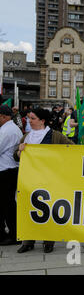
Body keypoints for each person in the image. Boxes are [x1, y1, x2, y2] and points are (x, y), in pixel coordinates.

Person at [14, 108, 73, 253]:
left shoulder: (56, 136)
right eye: (29, 118)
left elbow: (72, 149)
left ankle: (48, 240)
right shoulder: (27, 137)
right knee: (28, 209)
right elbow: (15, 156)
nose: (29, 121)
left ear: (42, 121)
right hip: (29, 180)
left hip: (49, 179)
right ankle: (28, 240)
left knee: (47, 209)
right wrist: (19, 151)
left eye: (33, 118)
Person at [0, 105, 23, 246]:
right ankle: (12, 233)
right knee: (7, 203)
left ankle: (13, 234)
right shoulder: (12, 128)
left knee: (6, 204)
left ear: (3, 116)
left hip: (6, 170)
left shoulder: (7, 130)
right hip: (10, 169)